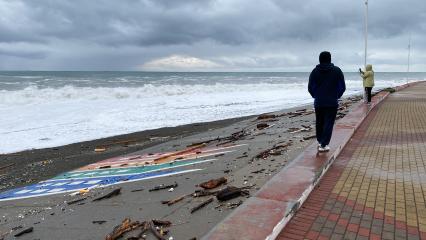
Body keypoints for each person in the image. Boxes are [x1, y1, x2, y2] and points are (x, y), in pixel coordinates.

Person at [308, 51, 346, 152]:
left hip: (319, 102)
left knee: (319, 122)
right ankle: (323, 144)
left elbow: (310, 87)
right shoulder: (337, 71)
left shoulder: (315, 71)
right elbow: (342, 86)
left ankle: (321, 141)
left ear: (320, 59)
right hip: (332, 102)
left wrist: (316, 96)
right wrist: (336, 96)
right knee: (328, 123)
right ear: (330, 59)